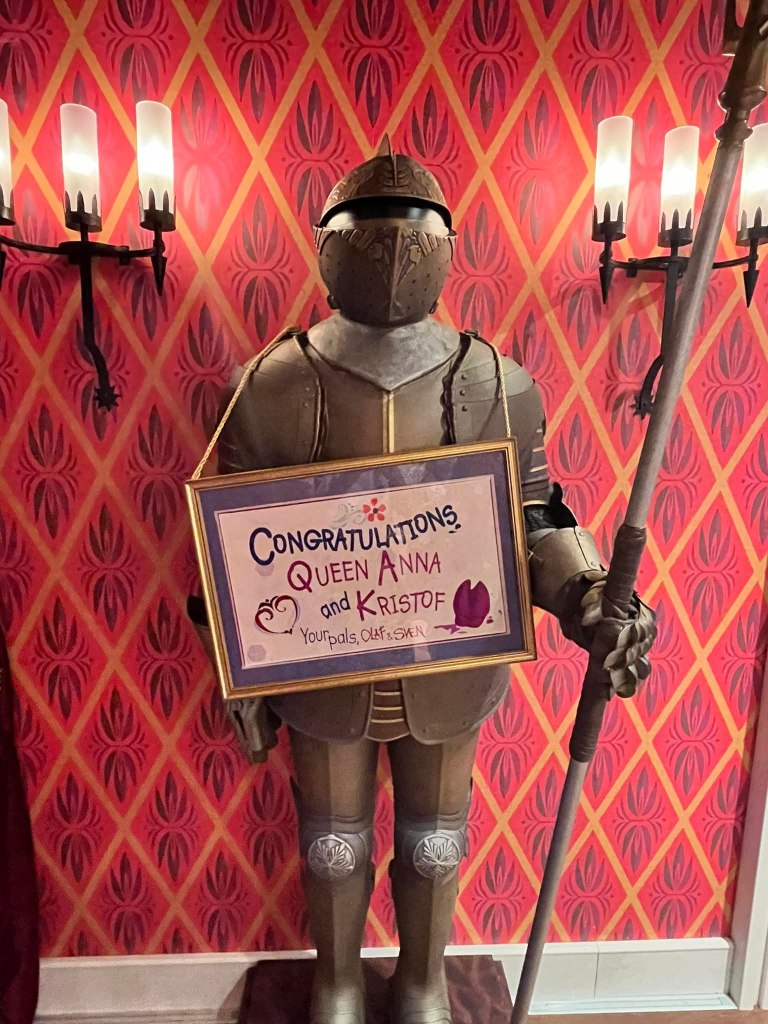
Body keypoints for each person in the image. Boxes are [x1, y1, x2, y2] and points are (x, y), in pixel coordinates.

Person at [195, 139, 656, 1024]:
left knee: (435, 840)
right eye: (372, 231)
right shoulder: (270, 382)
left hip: (451, 659)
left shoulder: (497, 381)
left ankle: (421, 982)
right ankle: (335, 984)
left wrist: (586, 592)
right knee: (331, 843)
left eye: (409, 233)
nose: (393, 250)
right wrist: (235, 669)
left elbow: (533, 517)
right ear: (331, 246)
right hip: (322, 658)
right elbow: (236, 548)